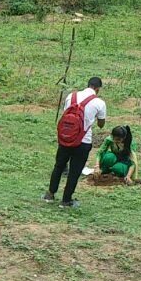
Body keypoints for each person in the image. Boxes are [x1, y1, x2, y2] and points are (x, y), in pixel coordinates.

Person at [45, 76, 106, 208]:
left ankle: (50, 194)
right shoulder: (99, 103)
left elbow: (66, 114)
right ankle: (66, 200)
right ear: (98, 89)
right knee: (75, 171)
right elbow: (101, 124)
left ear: (88, 84)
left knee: (59, 165)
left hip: (66, 137)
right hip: (83, 141)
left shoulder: (71, 96)